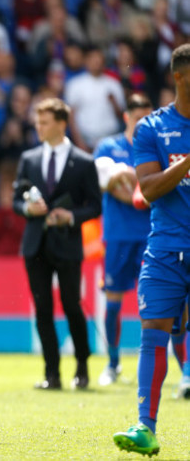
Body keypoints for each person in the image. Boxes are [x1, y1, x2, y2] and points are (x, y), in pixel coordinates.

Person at [113, 43, 190, 457]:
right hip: (166, 248)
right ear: (180, 76)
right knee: (153, 333)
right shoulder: (152, 128)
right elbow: (150, 188)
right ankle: (145, 426)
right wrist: (187, 163)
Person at [12, 97, 102, 391]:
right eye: (37, 121)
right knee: (42, 309)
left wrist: (70, 216)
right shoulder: (29, 159)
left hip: (67, 244)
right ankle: (52, 374)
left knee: (72, 306)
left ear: (62, 123)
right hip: (35, 245)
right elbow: (16, 199)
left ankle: (82, 368)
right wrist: (28, 210)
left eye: (45, 122)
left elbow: (95, 206)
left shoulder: (84, 162)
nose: (38, 126)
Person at [92, 93, 153, 386]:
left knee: (154, 302)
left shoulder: (157, 147)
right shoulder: (108, 146)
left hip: (153, 234)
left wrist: (130, 185)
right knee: (114, 300)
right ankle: (113, 363)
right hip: (118, 234)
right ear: (127, 116)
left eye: (147, 116)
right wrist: (138, 195)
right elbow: (103, 183)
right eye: (138, 116)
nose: (143, 121)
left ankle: (153, 364)